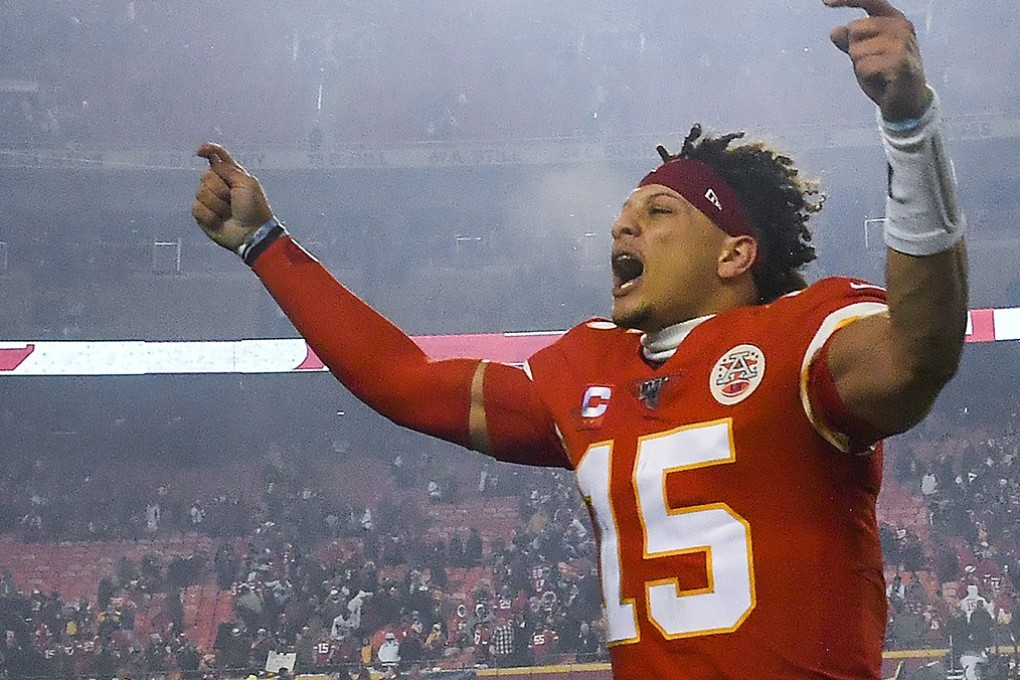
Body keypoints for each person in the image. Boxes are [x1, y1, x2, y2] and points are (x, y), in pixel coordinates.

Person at [191, 1, 968, 677]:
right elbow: (402, 377)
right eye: (627, 210)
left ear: (735, 254)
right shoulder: (589, 368)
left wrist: (909, 126)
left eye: (660, 212)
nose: (623, 223)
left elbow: (921, 349)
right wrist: (265, 244)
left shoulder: (801, 338)